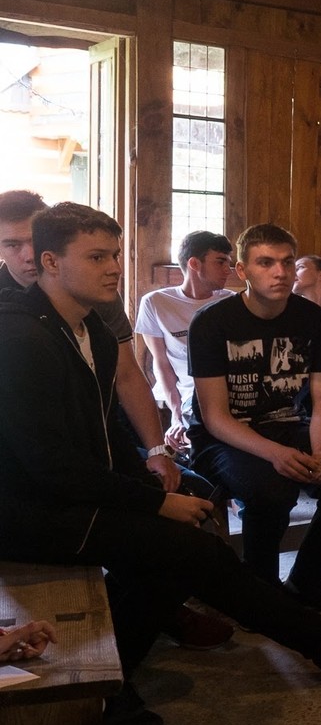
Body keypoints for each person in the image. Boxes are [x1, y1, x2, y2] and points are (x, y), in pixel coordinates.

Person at [0, 204, 321, 725]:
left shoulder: (91, 331)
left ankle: (109, 684)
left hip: (68, 498)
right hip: (31, 515)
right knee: (191, 548)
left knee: (183, 546)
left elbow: (106, 433)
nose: (114, 268)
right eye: (97, 257)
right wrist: (155, 501)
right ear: (51, 262)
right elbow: (47, 466)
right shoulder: (21, 337)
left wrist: (152, 471)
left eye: (115, 255)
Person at [3, 192, 231, 652]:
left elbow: (124, 378)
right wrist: (149, 501)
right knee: (162, 532)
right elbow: (46, 459)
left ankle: (158, 604)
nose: (26, 254)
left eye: (31, 240)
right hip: (29, 481)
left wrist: (157, 452)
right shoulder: (16, 323)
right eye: (12, 245)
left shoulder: (91, 296)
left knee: (196, 493)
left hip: (88, 446)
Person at [187, 223, 321, 613]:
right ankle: (262, 596)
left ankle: (306, 583)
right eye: (266, 263)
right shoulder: (212, 322)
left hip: (288, 423)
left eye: (288, 262)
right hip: (222, 438)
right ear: (242, 271)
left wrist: (320, 451)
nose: (280, 272)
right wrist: (275, 454)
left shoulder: (313, 319)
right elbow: (215, 417)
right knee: (272, 491)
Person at [134, 230, 234, 451]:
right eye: (220, 262)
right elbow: (161, 363)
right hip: (190, 396)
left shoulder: (231, 302)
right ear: (194, 264)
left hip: (230, 393)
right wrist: (177, 414)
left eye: (229, 262)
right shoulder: (155, 303)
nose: (228, 269)